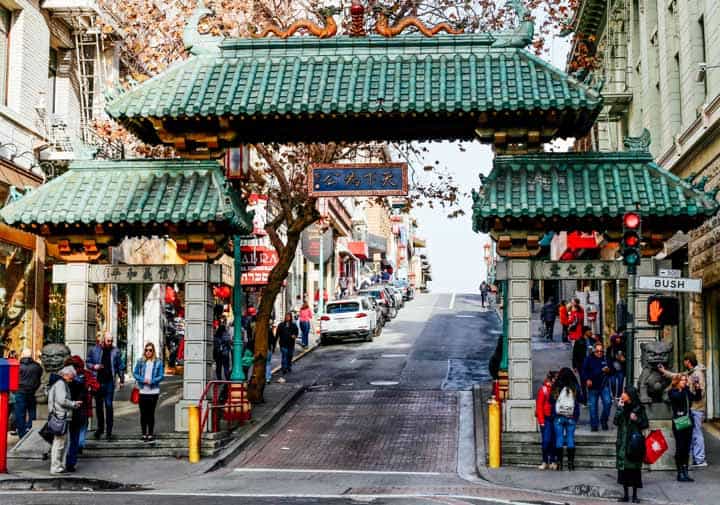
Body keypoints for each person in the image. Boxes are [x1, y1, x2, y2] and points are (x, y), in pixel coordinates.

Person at [659, 351, 706, 467]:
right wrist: (664, 371)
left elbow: (700, 393)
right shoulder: (690, 373)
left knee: (696, 433)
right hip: (691, 408)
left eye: (684, 361)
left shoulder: (697, 374)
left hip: (696, 407)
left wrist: (691, 395)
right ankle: (690, 459)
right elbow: (677, 376)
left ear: (688, 361)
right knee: (690, 434)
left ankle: (699, 459)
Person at [86, 332, 124, 441]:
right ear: (103, 340)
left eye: (111, 340)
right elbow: (87, 362)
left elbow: (120, 366)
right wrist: (94, 366)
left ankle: (109, 432)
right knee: (98, 407)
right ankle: (100, 429)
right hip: (97, 382)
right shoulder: (94, 350)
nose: (110, 342)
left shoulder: (116, 351)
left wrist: (121, 380)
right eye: (108, 340)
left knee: (109, 406)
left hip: (109, 383)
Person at [614, 386, 649, 503]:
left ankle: (634, 496)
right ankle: (625, 495)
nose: (622, 394)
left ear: (630, 395)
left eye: (625, 392)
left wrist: (636, 419)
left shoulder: (639, 408)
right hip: (623, 443)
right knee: (623, 471)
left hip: (635, 444)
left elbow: (645, 424)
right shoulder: (622, 407)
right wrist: (619, 407)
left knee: (634, 470)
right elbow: (615, 421)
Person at [65, 355, 98, 472]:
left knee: (67, 438)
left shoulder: (65, 377)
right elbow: (95, 387)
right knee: (76, 438)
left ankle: (66, 461)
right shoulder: (85, 376)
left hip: (67, 411)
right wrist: (89, 389)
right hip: (81, 410)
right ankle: (71, 461)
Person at [47, 366, 82, 474]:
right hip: (61, 416)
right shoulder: (61, 384)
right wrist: (74, 404)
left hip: (58, 415)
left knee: (59, 442)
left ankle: (58, 466)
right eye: (71, 377)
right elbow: (62, 400)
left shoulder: (57, 382)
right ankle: (56, 467)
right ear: (65, 374)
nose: (71, 380)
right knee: (60, 443)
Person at [669, 373, 702, 482]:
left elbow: (696, 398)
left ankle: (685, 471)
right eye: (683, 380)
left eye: (685, 380)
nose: (685, 382)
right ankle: (680, 473)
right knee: (680, 448)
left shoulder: (686, 391)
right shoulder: (673, 392)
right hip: (679, 422)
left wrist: (697, 389)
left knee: (687, 448)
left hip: (688, 422)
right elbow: (678, 398)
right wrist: (686, 388)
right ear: (677, 381)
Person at [133, 342, 164, 442]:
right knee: (143, 414)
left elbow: (161, 376)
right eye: (146, 350)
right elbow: (135, 373)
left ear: (153, 351)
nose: (148, 352)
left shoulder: (158, 362)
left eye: (150, 350)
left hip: (153, 392)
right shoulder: (140, 361)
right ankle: (143, 434)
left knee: (151, 414)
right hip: (142, 392)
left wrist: (152, 381)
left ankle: (150, 434)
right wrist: (142, 380)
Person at [552, 367, 580, 471]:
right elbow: (580, 399)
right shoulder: (575, 386)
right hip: (571, 417)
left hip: (558, 417)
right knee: (570, 438)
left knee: (559, 438)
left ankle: (559, 464)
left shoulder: (556, 386)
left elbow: (551, 400)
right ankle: (571, 464)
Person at [582, 342, 613, 431]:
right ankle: (594, 425)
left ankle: (603, 420)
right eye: (597, 351)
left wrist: (609, 370)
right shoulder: (589, 359)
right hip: (593, 386)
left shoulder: (606, 358)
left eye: (601, 351)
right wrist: (587, 379)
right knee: (593, 407)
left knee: (608, 403)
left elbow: (612, 371)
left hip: (604, 385)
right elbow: (584, 371)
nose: (599, 353)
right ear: (594, 351)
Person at [14, 348, 42, 439]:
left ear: (22, 355)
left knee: (20, 413)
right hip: (33, 392)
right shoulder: (37, 366)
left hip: (20, 391)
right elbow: (39, 379)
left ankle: (22, 433)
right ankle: (30, 429)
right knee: (32, 411)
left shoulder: (18, 366)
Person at [535, 371, 557, 470]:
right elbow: (539, 406)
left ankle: (552, 461)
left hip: (555, 417)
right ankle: (544, 461)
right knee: (546, 440)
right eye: (555, 378)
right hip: (546, 418)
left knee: (553, 440)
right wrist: (541, 421)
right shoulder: (544, 390)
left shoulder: (558, 389)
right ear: (551, 379)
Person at [607, 333, 627, 400]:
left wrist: (623, 358)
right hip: (612, 369)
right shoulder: (610, 348)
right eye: (616, 338)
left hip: (620, 368)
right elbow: (608, 359)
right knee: (613, 383)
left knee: (620, 382)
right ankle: (613, 394)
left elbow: (626, 357)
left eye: (619, 338)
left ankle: (619, 395)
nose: (618, 339)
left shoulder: (623, 346)